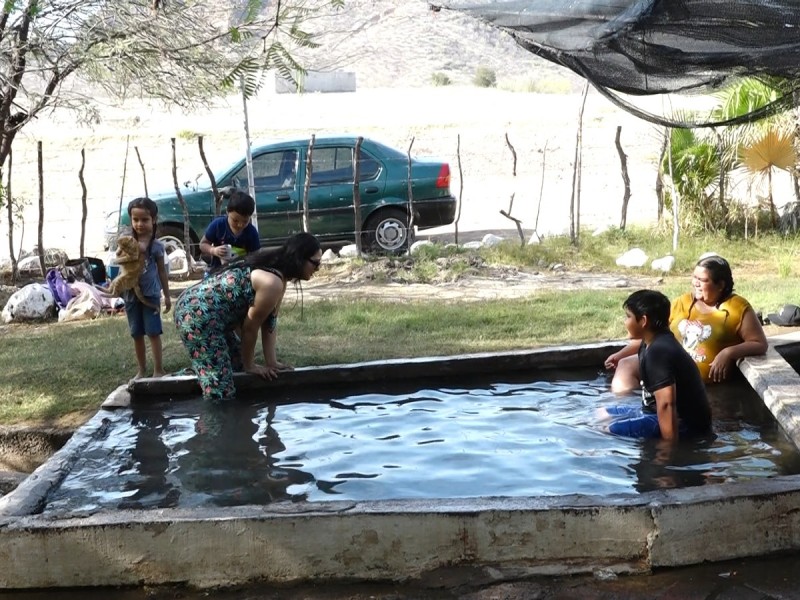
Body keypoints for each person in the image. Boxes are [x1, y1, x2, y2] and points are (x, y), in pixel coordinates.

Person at [174, 232, 322, 403]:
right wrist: (250, 366)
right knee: (221, 393)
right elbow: (250, 328)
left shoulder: (279, 279)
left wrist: (271, 362)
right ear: (299, 258)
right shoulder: (271, 282)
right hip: (195, 315)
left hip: (212, 317)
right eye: (315, 263)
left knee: (236, 366)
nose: (317, 269)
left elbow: (269, 323)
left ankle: (202, 368)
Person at [605, 254, 767, 392]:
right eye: (694, 277)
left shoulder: (737, 308)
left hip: (701, 384)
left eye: (702, 280)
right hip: (668, 367)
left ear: (721, 285)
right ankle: (628, 412)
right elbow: (652, 334)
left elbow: (759, 343)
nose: (695, 283)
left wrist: (728, 353)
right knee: (626, 366)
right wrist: (621, 355)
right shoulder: (682, 302)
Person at [600, 290, 712, 441]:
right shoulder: (650, 343)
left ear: (644, 321)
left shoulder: (659, 353)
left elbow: (666, 404)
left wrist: (667, 454)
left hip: (685, 424)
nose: (625, 322)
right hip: (653, 413)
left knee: (607, 431)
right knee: (602, 413)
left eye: (628, 317)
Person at [122, 197, 172, 379]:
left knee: (153, 332)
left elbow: (162, 272)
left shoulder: (157, 246)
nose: (140, 224)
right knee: (136, 333)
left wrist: (166, 296)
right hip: (130, 294)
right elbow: (120, 259)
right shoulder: (126, 242)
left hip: (150, 294)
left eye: (144, 220)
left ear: (154, 220)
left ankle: (158, 369)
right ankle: (141, 370)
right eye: (135, 220)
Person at [199, 190, 261, 271]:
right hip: (218, 271)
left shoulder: (251, 232)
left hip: (241, 271)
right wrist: (213, 250)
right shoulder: (218, 225)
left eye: (245, 221)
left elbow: (257, 255)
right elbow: (203, 244)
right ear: (227, 212)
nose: (240, 225)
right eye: (235, 220)